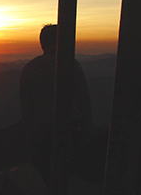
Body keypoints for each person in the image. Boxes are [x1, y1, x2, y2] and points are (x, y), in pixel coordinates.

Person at [19, 24, 92, 182]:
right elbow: (84, 100)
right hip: (70, 134)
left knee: (45, 180)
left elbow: (25, 108)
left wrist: (31, 136)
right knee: (69, 179)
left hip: (40, 137)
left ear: (42, 43)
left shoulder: (29, 68)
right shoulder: (71, 64)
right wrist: (87, 130)